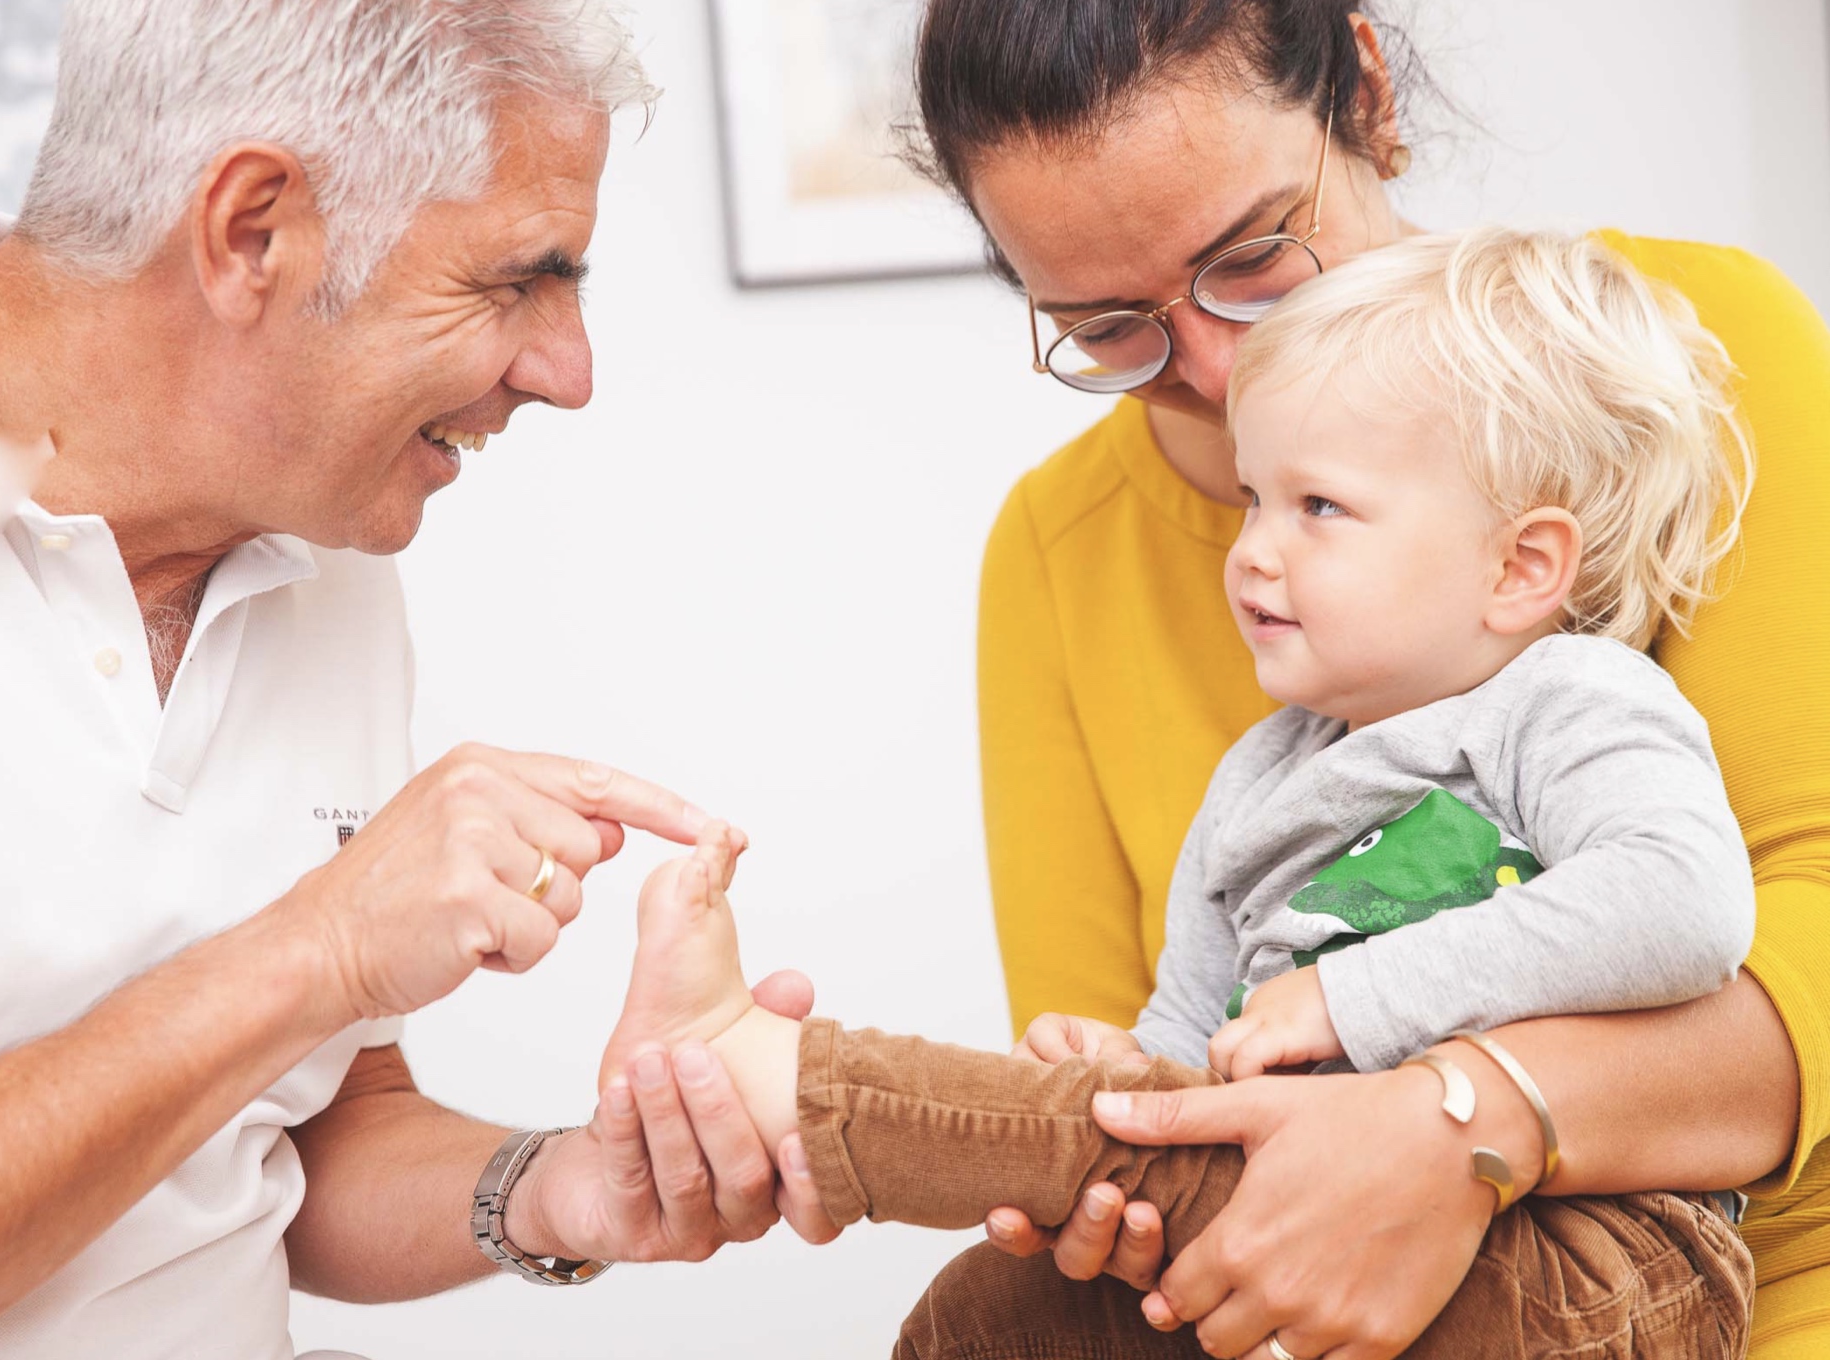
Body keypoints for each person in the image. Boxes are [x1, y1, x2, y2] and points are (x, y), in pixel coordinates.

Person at [0, 2, 834, 1355]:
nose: (569, 372)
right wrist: (317, 948)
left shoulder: (322, 546)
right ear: (254, 230)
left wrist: (564, 1189)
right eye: (515, 281)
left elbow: (295, 1143)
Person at [597, 226, 1760, 1360]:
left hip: (1601, 1257)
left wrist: (1354, 1000)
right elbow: (1198, 1044)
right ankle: (840, 1108)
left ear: (1520, 566)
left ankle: (787, 1083)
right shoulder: (1261, 776)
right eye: (1254, 498)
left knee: (1097, 1156)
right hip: (1318, 1224)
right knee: (993, 1310)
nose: (1253, 550)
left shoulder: (1568, 701)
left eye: (1320, 508)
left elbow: (1683, 901)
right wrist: (1120, 1069)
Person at [907, 3, 1830, 1354]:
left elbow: (1802, 919)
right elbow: (1156, 1046)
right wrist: (1110, 1137)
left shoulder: (1695, 359)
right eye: (1110, 328)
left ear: (1367, 94)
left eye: (1250, 254)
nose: (1219, 374)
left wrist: (1469, 1114)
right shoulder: (1054, 555)